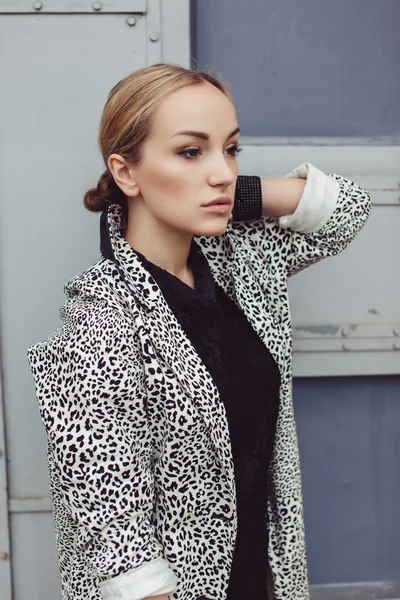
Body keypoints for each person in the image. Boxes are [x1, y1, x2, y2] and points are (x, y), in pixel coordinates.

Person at [27, 63, 371, 600]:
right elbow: (123, 554)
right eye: (191, 151)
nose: (223, 171)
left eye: (231, 149)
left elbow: (347, 210)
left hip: (265, 574)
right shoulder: (99, 324)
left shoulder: (243, 262)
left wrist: (237, 195)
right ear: (126, 173)